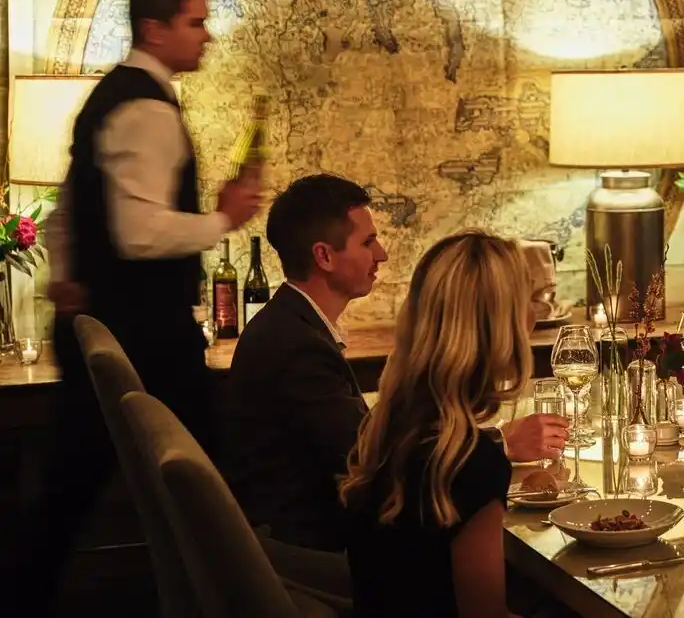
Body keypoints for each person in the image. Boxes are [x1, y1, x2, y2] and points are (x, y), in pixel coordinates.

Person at [23, 0, 262, 614]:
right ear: (155, 29)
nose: (207, 36)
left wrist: (67, 276)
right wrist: (224, 218)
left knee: (71, 490)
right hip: (147, 337)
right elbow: (139, 233)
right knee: (206, 488)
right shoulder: (148, 110)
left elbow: (72, 202)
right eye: (196, 22)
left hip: (113, 325)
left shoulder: (113, 96)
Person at [226, 175, 569, 555]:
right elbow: (371, 459)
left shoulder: (291, 325)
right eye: (368, 242)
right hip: (313, 559)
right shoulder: (295, 346)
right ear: (324, 256)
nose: (383, 255)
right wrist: (499, 443)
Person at [341, 231, 532, 618]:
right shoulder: (471, 463)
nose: (532, 314)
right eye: (525, 300)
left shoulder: (387, 428)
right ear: (501, 326)